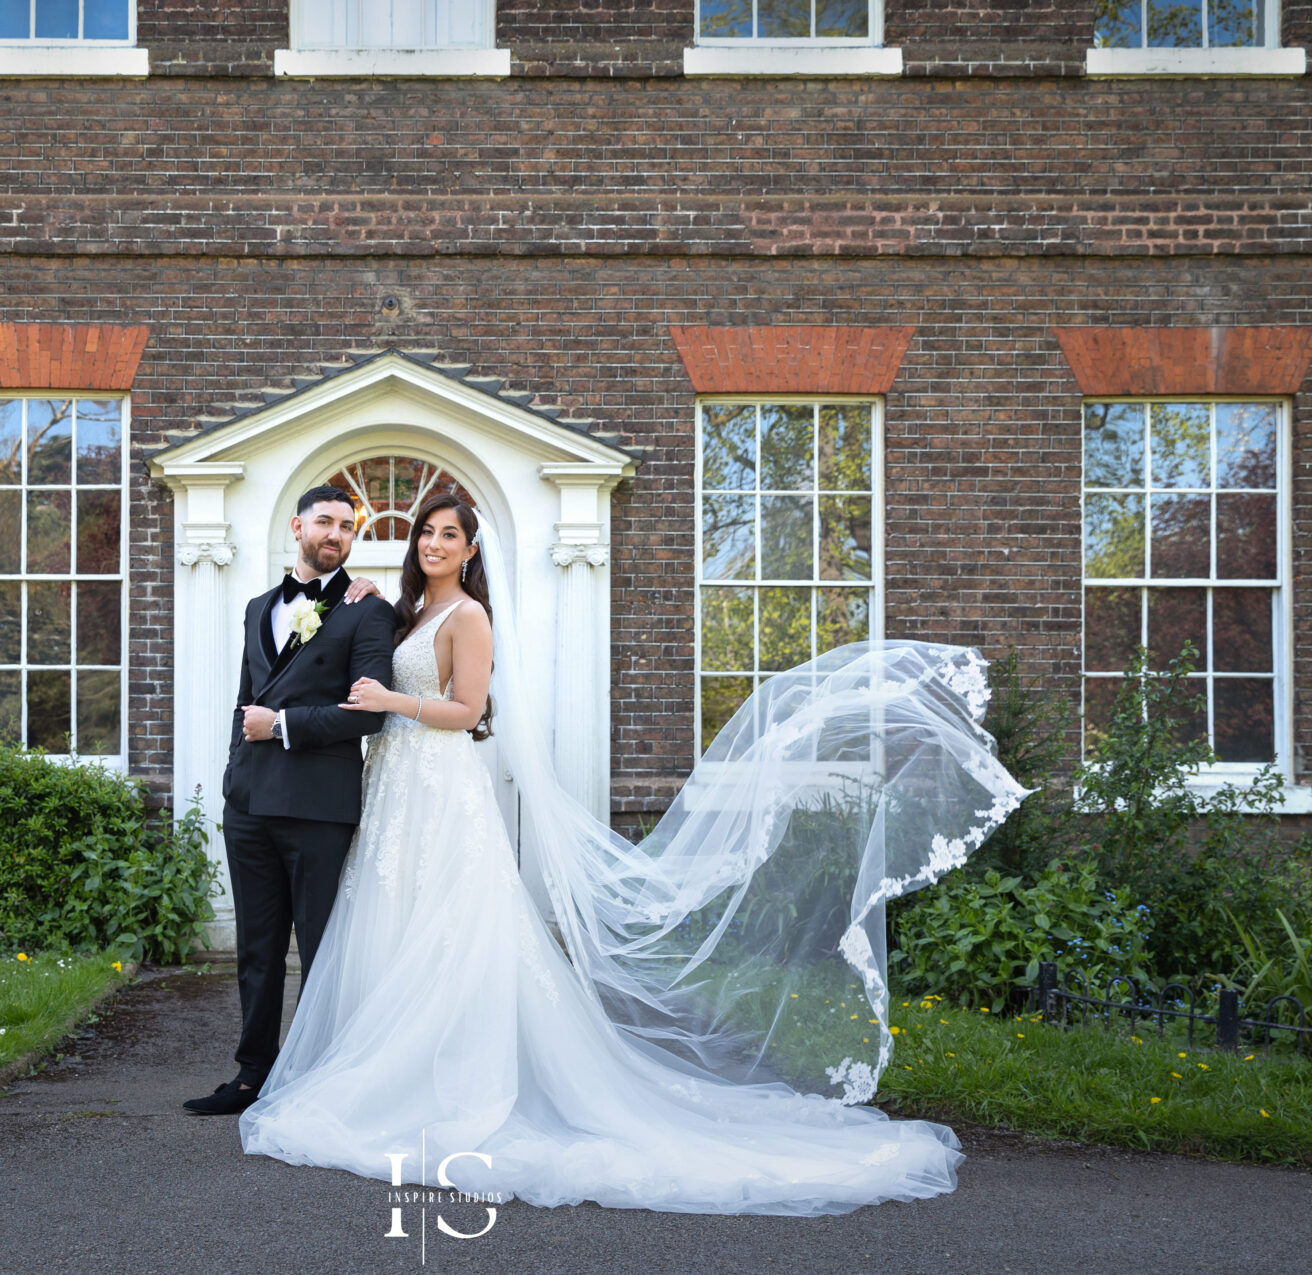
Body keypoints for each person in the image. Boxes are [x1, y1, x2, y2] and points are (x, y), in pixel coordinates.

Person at [233, 490, 1031, 1216]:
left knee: (451, 931)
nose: (435, 542)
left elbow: (470, 708)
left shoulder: (469, 618)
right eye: (426, 532)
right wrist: (372, 612)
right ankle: (386, 1070)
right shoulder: (400, 611)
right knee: (394, 927)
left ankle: (450, 1082)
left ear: (473, 549)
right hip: (395, 790)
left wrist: (393, 700)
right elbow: (368, 653)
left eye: (450, 534)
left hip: (443, 789)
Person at [182, 484, 396, 1117]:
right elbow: (245, 698)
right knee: (257, 945)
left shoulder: (367, 612)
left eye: (347, 527)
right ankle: (251, 1076)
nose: (336, 534)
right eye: (325, 522)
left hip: (317, 807)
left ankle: (320, 1076)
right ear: (298, 527)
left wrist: (279, 726)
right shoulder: (256, 607)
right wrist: (233, 774)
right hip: (248, 804)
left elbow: (369, 714)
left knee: (322, 947)